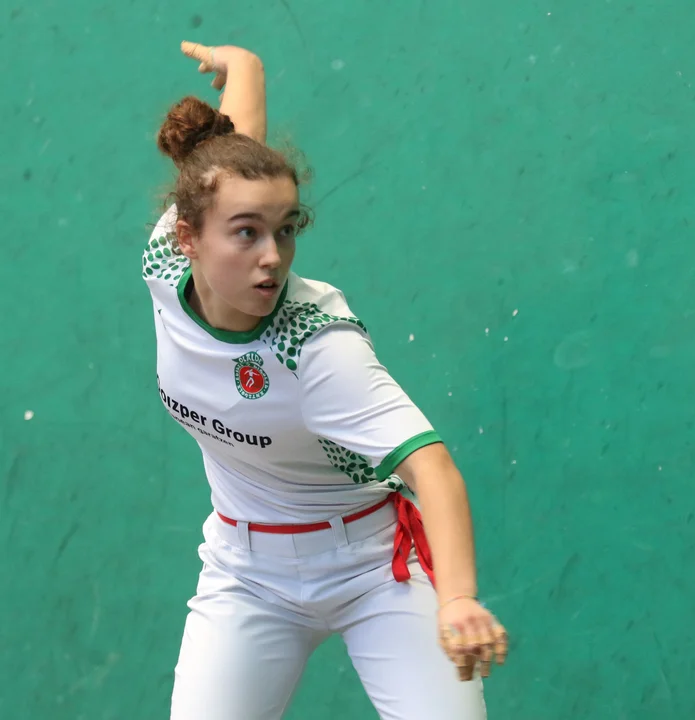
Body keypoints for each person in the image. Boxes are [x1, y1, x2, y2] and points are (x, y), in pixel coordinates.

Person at [144, 40, 509, 720]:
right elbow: (230, 161)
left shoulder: (315, 344)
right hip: (245, 575)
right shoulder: (165, 263)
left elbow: (432, 468)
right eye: (246, 234)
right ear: (189, 239)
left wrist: (458, 597)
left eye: (286, 231)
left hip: (374, 569)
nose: (271, 256)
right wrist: (246, 69)